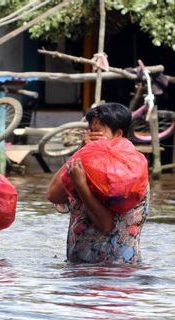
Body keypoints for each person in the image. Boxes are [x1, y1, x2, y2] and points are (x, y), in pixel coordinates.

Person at [46, 103, 150, 264]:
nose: (91, 138)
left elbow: (106, 225)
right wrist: (81, 150)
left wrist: (82, 187)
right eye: (90, 132)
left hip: (116, 271)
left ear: (118, 135)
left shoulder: (128, 174)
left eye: (97, 134)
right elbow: (53, 195)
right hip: (79, 268)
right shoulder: (84, 167)